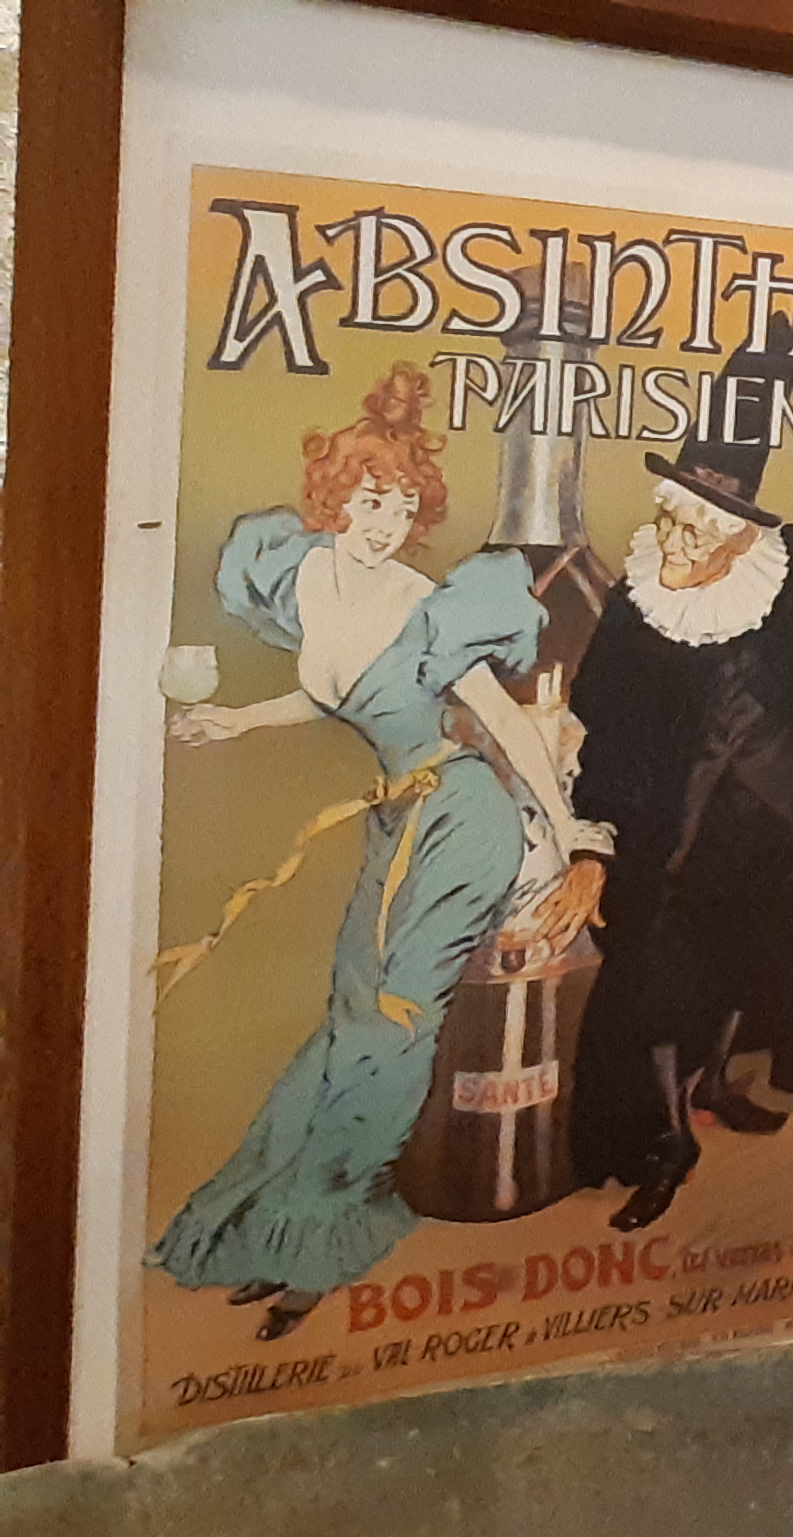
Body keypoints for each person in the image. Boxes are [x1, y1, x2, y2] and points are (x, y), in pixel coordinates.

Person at [152, 365, 601, 1339]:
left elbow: (504, 726)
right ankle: (274, 1226)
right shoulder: (309, 578)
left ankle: (319, 1244)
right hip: (397, 819)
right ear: (333, 499)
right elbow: (334, 693)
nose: (387, 521)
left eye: (403, 505)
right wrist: (235, 720)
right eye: (370, 500)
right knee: (348, 1016)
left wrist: (572, 837)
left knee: (391, 1029)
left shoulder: (425, 604)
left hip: (463, 822)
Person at [564, 326, 793, 1231]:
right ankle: (666, 1137)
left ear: (737, 534)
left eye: (696, 524)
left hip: (769, 824)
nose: (673, 535)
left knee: (744, 968)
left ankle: (716, 1081)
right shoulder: (640, 596)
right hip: (666, 834)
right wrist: (594, 837)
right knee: (653, 987)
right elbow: (601, 715)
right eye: (671, 513)